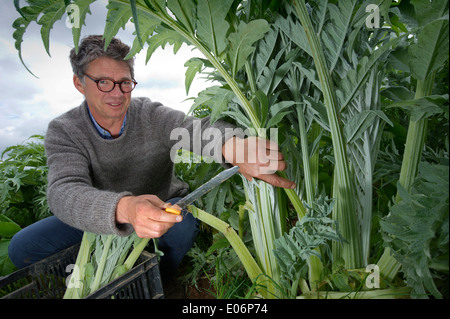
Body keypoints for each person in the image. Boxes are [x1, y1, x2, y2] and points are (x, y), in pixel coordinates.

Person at [8, 35, 295, 287]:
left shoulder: (150, 115)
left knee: (180, 232)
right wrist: (124, 208)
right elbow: (64, 192)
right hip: (103, 216)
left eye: (124, 83)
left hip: (163, 208)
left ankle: (151, 280)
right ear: (79, 83)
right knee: (23, 248)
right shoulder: (65, 130)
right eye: (103, 82)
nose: (117, 93)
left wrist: (233, 146)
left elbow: (196, 131)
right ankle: (93, 275)